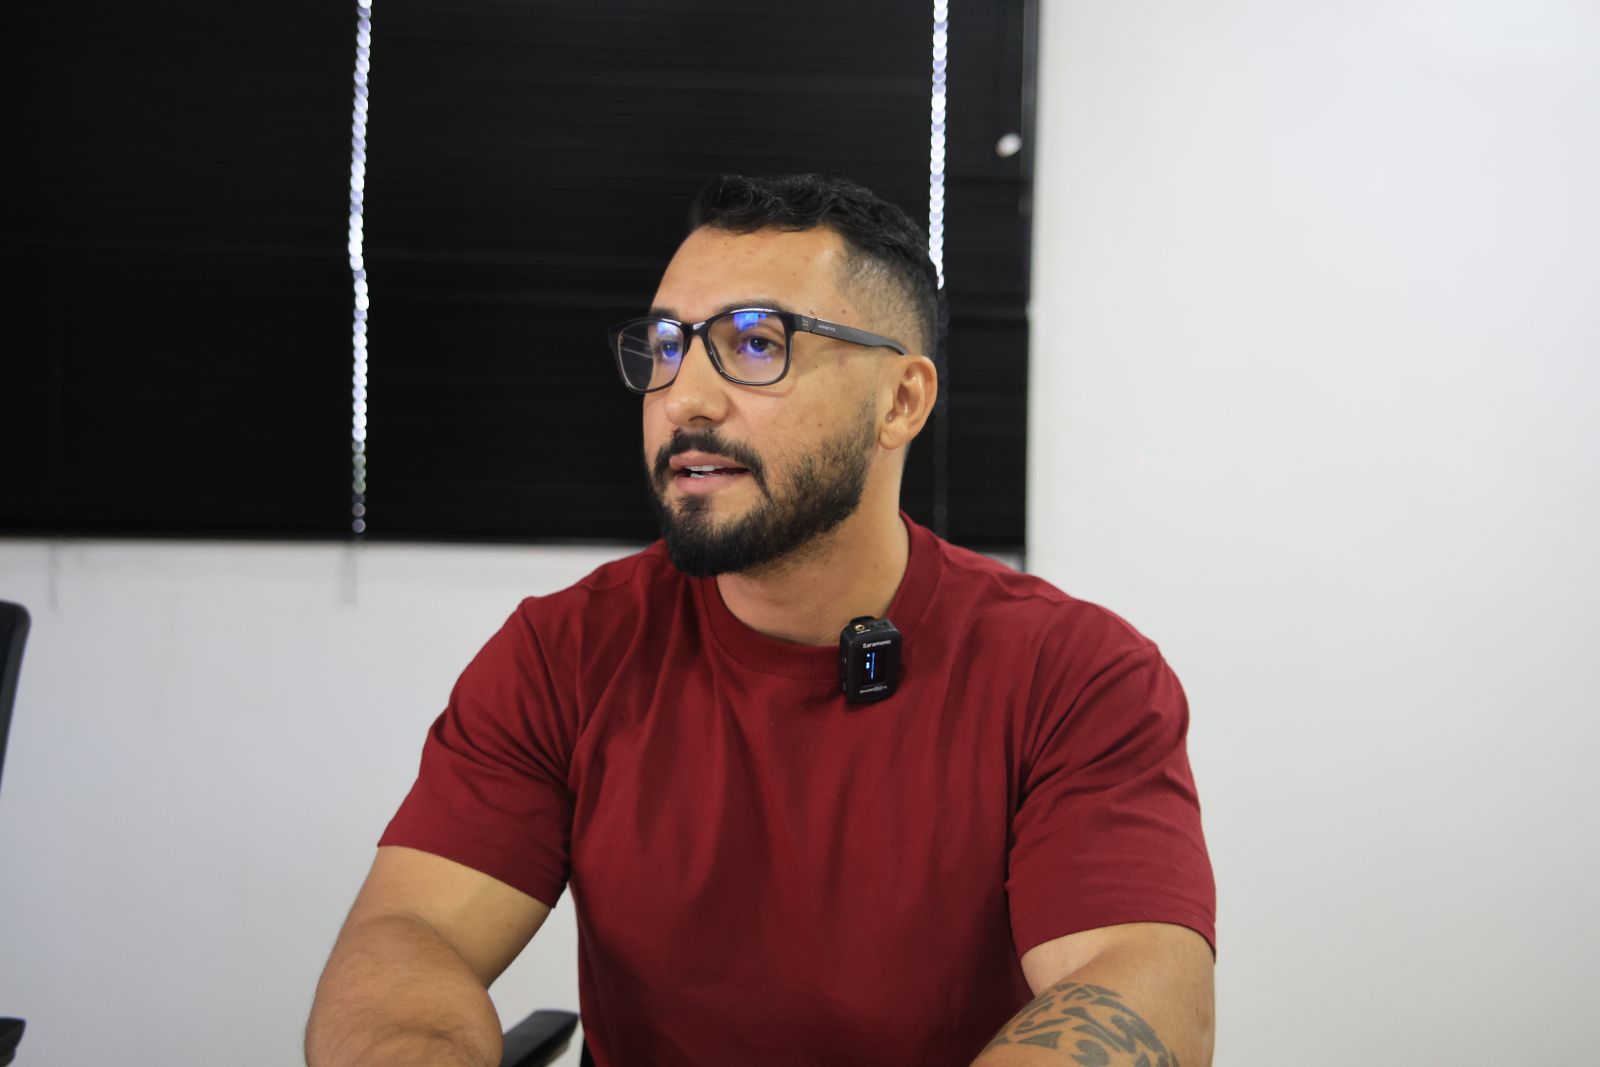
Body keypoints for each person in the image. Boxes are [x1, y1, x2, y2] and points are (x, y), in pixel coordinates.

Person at [306, 174, 1216, 1067]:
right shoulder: (565, 652)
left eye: (754, 344)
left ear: (900, 400)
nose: (684, 398)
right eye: (667, 347)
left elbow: (1133, 982)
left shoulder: (1076, 673)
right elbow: (411, 932)